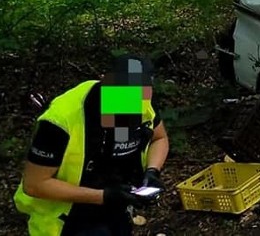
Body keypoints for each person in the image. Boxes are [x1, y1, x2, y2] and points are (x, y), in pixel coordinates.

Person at [13, 55, 170, 236]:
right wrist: (103, 196)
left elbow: (160, 139)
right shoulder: (60, 121)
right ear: (104, 81)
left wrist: (152, 171)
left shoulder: (143, 103)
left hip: (116, 205)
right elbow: (34, 184)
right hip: (64, 217)